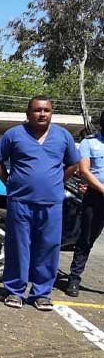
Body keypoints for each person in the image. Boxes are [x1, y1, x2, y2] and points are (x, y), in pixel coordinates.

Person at [0, 96, 80, 311]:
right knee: (18, 246)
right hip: (20, 201)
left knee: (48, 248)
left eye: (46, 110)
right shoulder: (14, 135)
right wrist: (9, 182)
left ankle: (41, 293)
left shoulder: (63, 136)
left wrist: (58, 182)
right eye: (37, 110)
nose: (42, 114)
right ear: (28, 113)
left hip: (51, 203)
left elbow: (73, 163)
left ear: (51, 113)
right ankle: (14, 291)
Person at [65, 112, 104, 297]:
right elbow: (84, 171)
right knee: (86, 238)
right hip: (95, 196)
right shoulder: (90, 143)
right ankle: (74, 279)